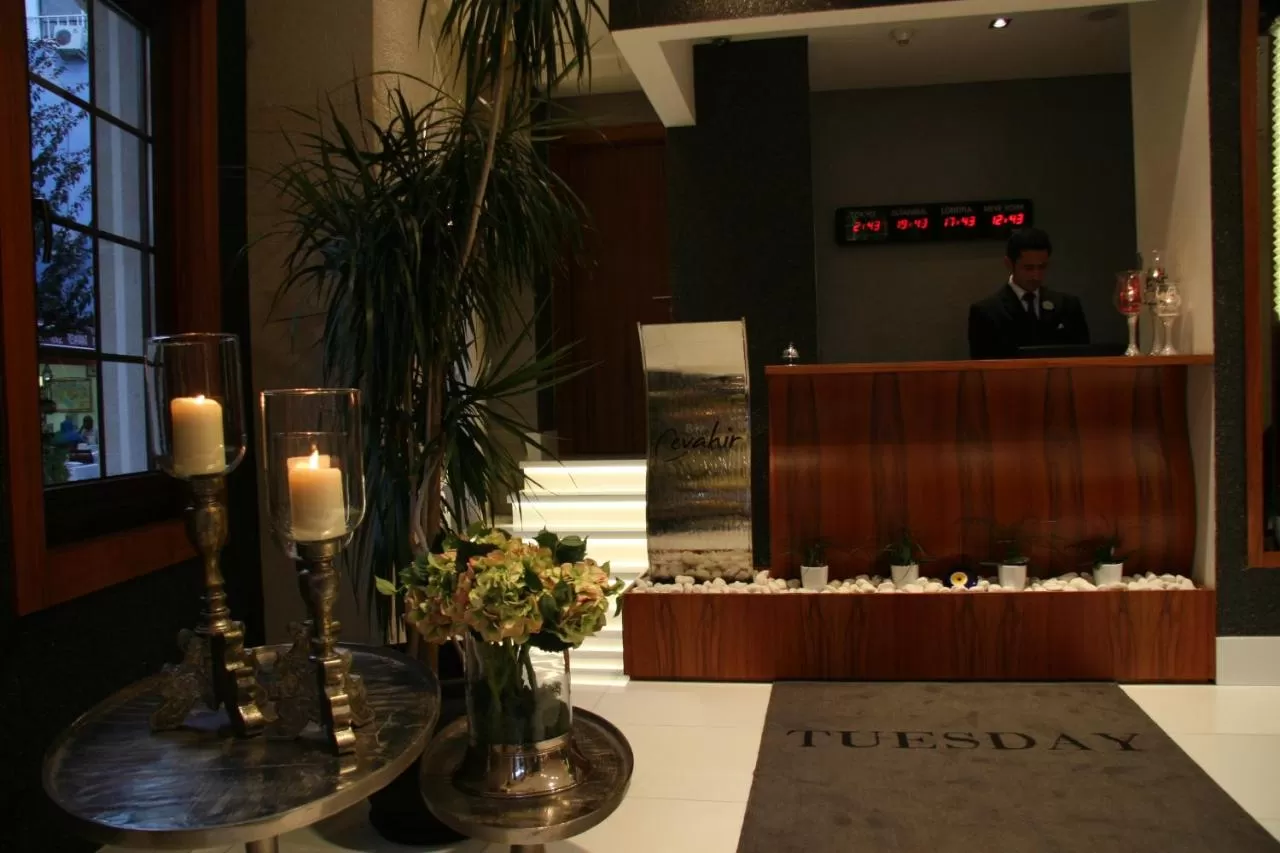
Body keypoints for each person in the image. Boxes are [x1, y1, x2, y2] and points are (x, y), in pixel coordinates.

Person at [968, 228, 1090, 359]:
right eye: (1028, 268)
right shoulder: (987, 313)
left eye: (1042, 267)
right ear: (1009, 264)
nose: (1036, 276)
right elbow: (983, 367)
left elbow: (1083, 359)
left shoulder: (1067, 306)